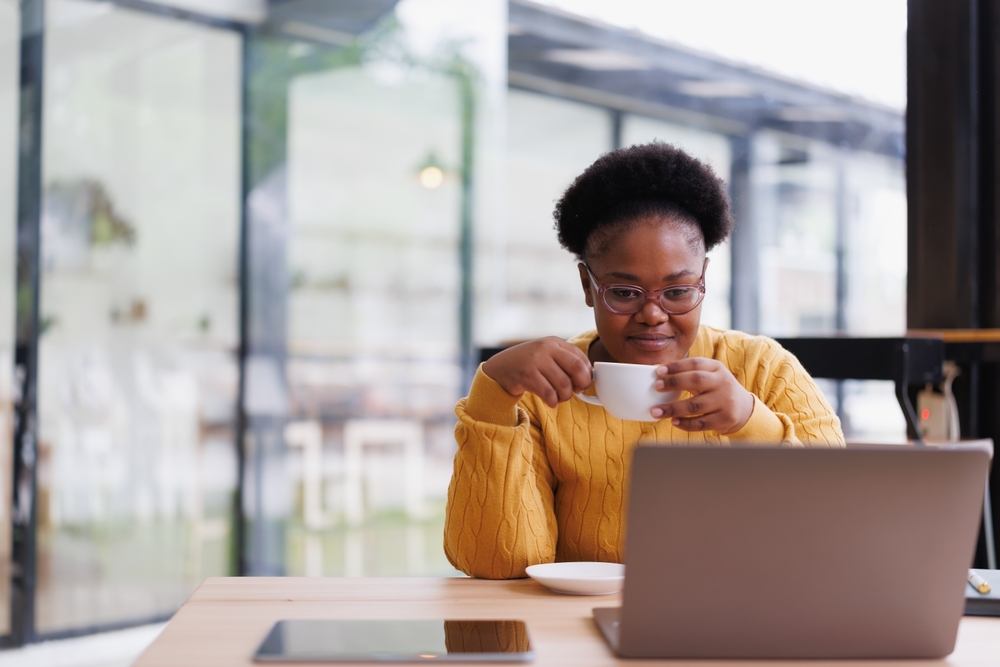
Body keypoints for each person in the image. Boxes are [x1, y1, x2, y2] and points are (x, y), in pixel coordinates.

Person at [444, 142, 844, 580]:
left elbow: (843, 527)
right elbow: (500, 564)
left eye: (677, 292)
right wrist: (492, 396)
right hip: (583, 630)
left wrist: (751, 421)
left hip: (743, 622)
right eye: (624, 293)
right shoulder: (544, 391)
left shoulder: (763, 369)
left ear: (703, 279)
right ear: (587, 285)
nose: (653, 315)